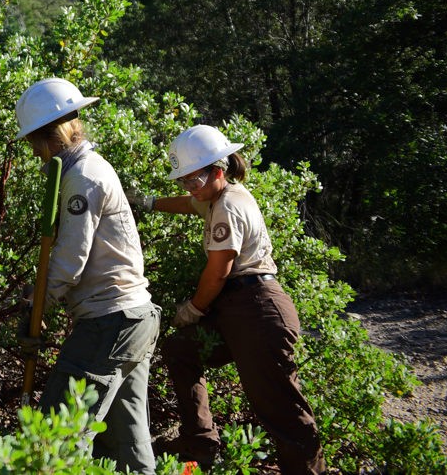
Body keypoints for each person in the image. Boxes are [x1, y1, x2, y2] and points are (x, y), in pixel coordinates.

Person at [131, 124, 326, 474]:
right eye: (184, 180)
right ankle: (201, 442)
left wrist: (193, 309)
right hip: (237, 308)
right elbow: (190, 204)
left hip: (258, 310)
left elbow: (219, 270)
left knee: (281, 409)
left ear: (218, 171)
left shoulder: (228, 208)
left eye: (195, 180)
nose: (190, 188)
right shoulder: (216, 195)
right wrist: (149, 203)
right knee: (181, 350)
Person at [14, 77, 161, 474]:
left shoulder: (82, 176)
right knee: (127, 443)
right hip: (135, 317)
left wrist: (36, 300)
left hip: (110, 322)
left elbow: (71, 258)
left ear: (50, 137)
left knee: (56, 433)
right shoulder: (87, 167)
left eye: (34, 144)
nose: (35, 154)